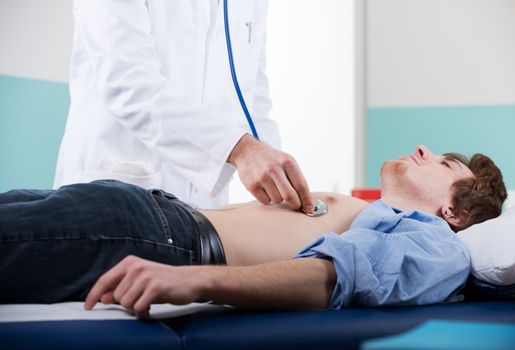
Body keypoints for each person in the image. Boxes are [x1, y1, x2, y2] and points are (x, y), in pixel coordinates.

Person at [0, 145, 506, 318]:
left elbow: (335, 278)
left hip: (154, 235)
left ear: (453, 214)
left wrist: (196, 282)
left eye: (442, 163)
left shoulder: (439, 246)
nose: (421, 150)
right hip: (137, 206)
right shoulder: (376, 214)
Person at [54, 0, 314, 212]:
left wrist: (282, 190)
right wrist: (241, 150)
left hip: (204, 213)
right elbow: (127, 82)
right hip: (114, 194)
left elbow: (252, 97)